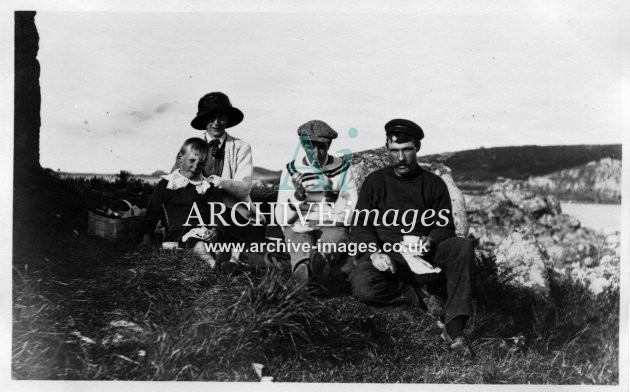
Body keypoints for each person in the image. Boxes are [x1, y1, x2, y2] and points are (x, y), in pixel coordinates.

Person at [349, 119, 475, 357]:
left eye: (407, 150)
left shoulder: (433, 184)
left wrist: (430, 241)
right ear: (387, 150)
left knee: (462, 247)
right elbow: (361, 225)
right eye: (394, 151)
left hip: (423, 254)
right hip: (389, 254)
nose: (401, 157)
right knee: (363, 286)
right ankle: (417, 296)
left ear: (417, 148)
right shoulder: (375, 182)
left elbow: (445, 226)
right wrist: (375, 252)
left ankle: (455, 327)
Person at [177, 92, 264, 271]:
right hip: (199, 211)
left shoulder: (241, 147)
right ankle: (216, 263)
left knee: (233, 228)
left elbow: (244, 188)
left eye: (222, 117)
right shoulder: (191, 146)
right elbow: (176, 180)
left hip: (232, 211)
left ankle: (228, 257)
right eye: (211, 117)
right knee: (191, 229)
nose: (216, 122)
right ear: (204, 120)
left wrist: (221, 182)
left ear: (228, 119)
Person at [275, 120, 358, 285]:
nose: (316, 153)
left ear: (329, 145)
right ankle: (304, 269)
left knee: (336, 237)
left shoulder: (342, 168)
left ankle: (315, 266)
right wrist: (298, 195)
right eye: (309, 147)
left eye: (322, 147)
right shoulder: (291, 169)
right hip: (299, 225)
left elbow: (352, 214)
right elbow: (281, 218)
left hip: (332, 224)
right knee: (297, 238)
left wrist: (332, 197)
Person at [140, 137, 221, 267]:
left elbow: (216, 211)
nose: (196, 166)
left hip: (204, 231)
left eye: (200, 164)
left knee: (219, 245)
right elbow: (153, 212)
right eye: (192, 160)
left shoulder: (206, 186)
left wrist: (214, 230)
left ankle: (231, 263)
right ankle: (213, 264)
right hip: (179, 233)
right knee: (199, 245)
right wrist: (146, 238)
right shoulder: (167, 184)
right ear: (180, 158)